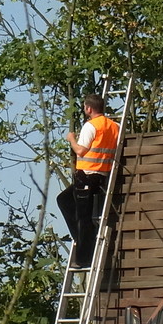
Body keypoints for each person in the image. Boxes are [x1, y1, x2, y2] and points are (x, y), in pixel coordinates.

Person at [55, 93, 121, 269]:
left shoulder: (90, 126)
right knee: (64, 200)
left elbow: (81, 151)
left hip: (87, 175)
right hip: (101, 176)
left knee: (82, 218)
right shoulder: (115, 126)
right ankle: (82, 238)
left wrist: (71, 139)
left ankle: (84, 256)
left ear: (89, 108)